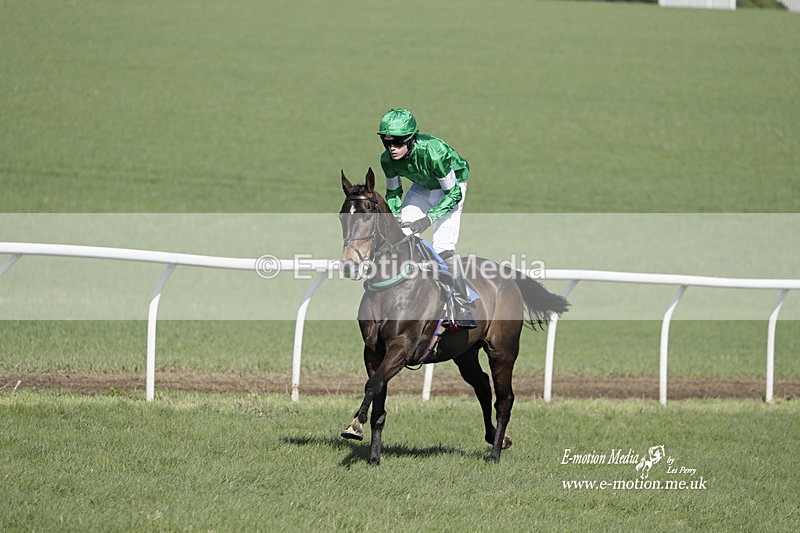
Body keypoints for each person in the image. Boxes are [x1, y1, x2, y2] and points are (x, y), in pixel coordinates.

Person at [377, 108, 476, 328]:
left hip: (452, 188)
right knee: (401, 235)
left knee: (443, 247)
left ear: (411, 139)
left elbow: (453, 194)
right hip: (422, 188)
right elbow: (393, 193)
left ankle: (463, 304)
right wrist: (396, 218)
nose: (392, 148)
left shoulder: (434, 152)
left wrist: (429, 219)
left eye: (399, 142)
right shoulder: (387, 160)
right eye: (387, 142)